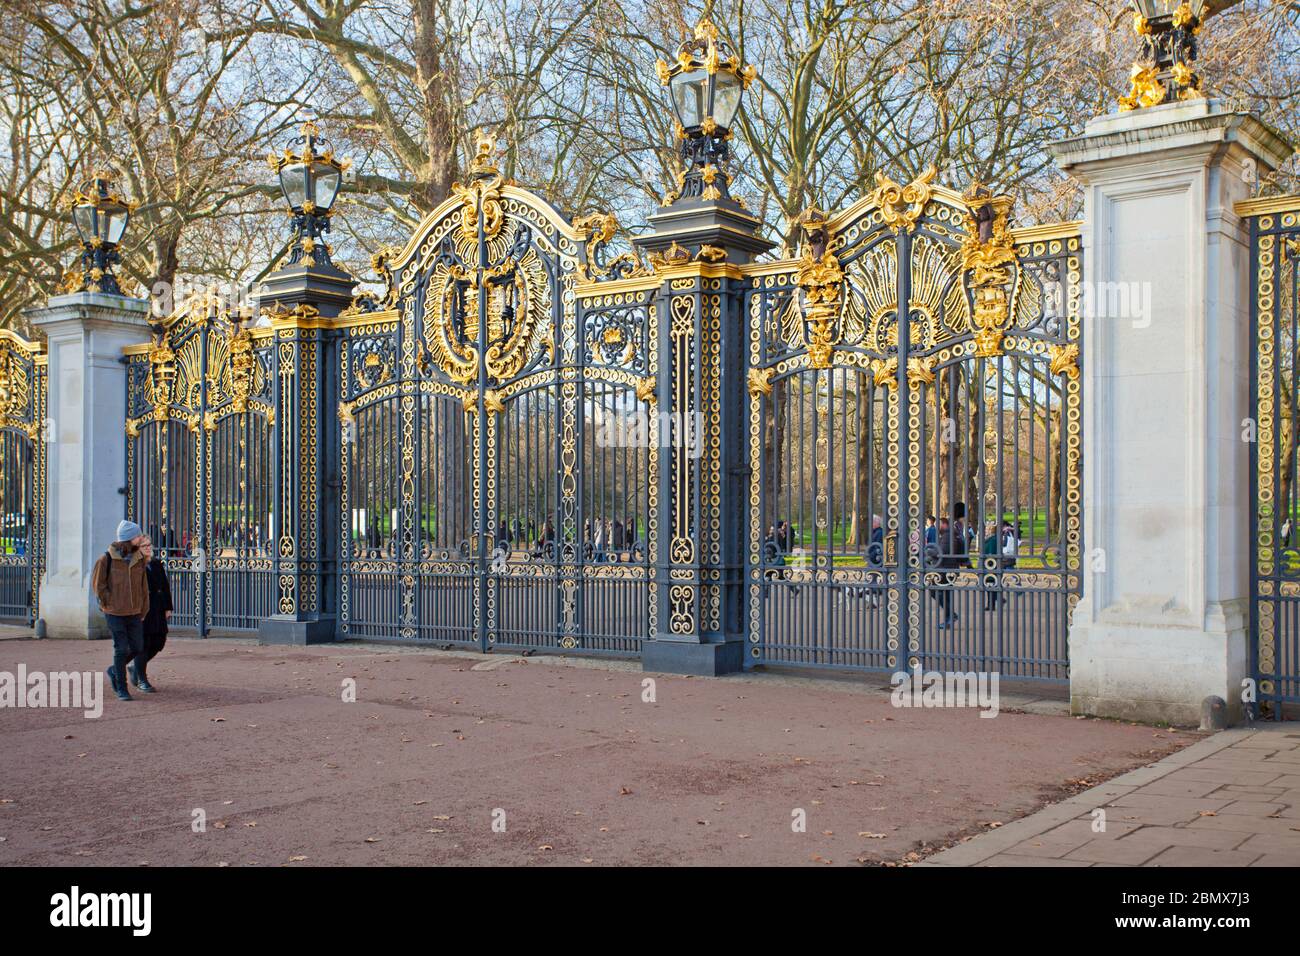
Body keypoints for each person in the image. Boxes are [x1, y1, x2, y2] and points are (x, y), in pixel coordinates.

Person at [91, 520, 151, 702]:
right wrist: (108, 603)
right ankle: (122, 688)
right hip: (114, 612)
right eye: (138, 535)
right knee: (120, 648)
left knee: (137, 647)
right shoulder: (106, 559)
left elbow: (143, 586)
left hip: (134, 612)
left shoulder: (139, 558)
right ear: (129, 538)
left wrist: (143, 608)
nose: (141, 537)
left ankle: (114, 670)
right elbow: (98, 585)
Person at [131, 536, 173, 693]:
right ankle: (141, 679)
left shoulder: (155, 563)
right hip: (142, 610)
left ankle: (135, 669)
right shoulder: (134, 565)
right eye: (144, 546)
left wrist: (168, 607)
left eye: (149, 545)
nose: (148, 548)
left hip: (158, 607)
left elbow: (165, 585)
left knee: (159, 642)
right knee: (144, 644)